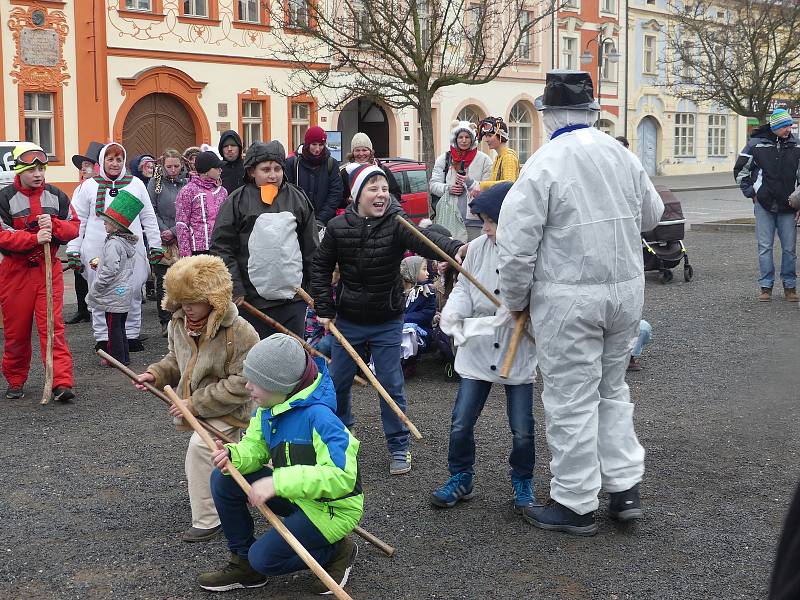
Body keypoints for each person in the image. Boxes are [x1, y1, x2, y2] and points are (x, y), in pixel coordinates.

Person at [496, 70, 664, 536]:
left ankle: (574, 501)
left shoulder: (544, 163)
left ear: (550, 116)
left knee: (570, 398)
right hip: (625, 292)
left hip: (568, 297)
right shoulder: (621, 154)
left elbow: (515, 245)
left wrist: (514, 300)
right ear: (590, 112)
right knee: (612, 391)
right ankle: (624, 487)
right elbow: (652, 215)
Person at [311, 162, 465, 475]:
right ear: (357, 195)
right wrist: (324, 309)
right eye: (373, 188)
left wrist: (456, 249)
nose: (381, 194)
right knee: (338, 382)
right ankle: (341, 438)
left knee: (390, 383)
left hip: (387, 319)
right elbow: (320, 267)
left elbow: (427, 240)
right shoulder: (339, 228)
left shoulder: (396, 224)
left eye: (384, 188)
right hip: (348, 319)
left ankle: (398, 445)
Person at [197, 333, 362, 594]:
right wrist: (234, 455)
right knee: (225, 477)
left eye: (256, 381)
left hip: (330, 508)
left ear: (282, 385)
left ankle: (336, 551)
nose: (248, 386)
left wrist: (277, 481)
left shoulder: (322, 419)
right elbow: (255, 447)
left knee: (265, 559)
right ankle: (242, 563)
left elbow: (342, 477)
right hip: (295, 493)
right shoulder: (268, 408)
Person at [135, 254, 260, 543]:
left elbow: (244, 383)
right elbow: (176, 360)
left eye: (194, 301)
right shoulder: (178, 323)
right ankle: (240, 493)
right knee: (235, 457)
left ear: (213, 298)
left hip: (230, 409)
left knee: (202, 449)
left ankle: (208, 518)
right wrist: (155, 374)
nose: (187, 308)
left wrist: (195, 403)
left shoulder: (240, 331)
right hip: (195, 406)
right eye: (182, 301)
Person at [432, 181, 537, 512]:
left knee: (522, 428)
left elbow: (545, 296)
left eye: (491, 222)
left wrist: (522, 308)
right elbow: (464, 286)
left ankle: (523, 481)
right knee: (461, 420)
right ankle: (461, 477)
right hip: (478, 348)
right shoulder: (476, 249)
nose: (486, 230)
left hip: (515, 349)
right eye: (485, 222)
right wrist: (453, 311)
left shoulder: (533, 250)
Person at [211, 141, 318, 338]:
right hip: (252, 301)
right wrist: (236, 287)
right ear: (252, 171)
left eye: (277, 169)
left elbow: (311, 246)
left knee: (293, 356)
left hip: (293, 300)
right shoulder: (237, 201)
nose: (273, 175)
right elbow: (222, 246)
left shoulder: (297, 198)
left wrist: (314, 288)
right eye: (266, 169)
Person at [0, 142, 80, 401]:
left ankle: (61, 382)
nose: (38, 174)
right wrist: (34, 238)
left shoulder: (57, 196)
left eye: (41, 169)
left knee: (52, 328)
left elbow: (74, 226)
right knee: (16, 331)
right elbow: (2, 236)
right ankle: (15, 379)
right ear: (19, 170)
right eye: (32, 169)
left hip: (49, 269)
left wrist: (54, 225)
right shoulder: (4, 198)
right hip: (16, 273)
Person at [66, 142, 164, 353]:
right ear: (102, 161)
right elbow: (77, 220)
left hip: (131, 249)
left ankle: (130, 334)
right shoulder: (87, 187)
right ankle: (102, 337)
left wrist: (155, 245)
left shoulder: (136, 184)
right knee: (99, 291)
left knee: (132, 291)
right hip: (96, 250)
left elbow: (148, 217)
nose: (115, 163)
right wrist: (73, 249)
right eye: (110, 159)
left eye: (119, 159)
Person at [734, 108, 800, 302]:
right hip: (764, 205)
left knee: (789, 249)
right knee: (765, 248)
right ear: (776, 127)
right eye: (785, 126)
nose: (789, 129)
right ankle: (766, 287)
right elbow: (740, 171)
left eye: (790, 125)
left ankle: (790, 287)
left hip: (788, 207)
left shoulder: (797, 146)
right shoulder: (755, 145)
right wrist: (751, 193)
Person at [87, 191, 141, 366]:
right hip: (123, 290)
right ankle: (123, 356)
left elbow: (110, 270)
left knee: (113, 327)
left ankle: (116, 359)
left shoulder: (113, 243)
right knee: (119, 325)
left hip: (113, 292)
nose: (104, 224)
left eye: (107, 222)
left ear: (115, 226)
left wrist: (97, 286)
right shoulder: (124, 243)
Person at [430, 121, 492, 241]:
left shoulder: (485, 160)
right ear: (455, 138)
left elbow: (488, 189)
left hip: (476, 221)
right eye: (460, 137)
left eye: (467, 137)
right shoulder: (444, 159)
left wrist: (472, 184)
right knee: (452, 257)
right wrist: (448, 189)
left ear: (472, 139)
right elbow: (433, 185)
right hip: (450, 220)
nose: (464, 140)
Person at [148, 149, 187, 336]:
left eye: (176, 166)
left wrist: (174, 231)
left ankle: (183, 319)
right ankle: (165, 321)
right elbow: (150, 209)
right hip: (161, 237)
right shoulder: (154, 183)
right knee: (163, 281)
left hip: (181, 236)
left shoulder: (187, 183)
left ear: (182, 165)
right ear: (163, 166)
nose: (173, 170)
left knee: (182, 280)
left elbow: (189, 210)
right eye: (169, 166)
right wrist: (163, 230)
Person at [65, 141, 103, 325]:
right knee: (79, 274)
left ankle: (97, 312)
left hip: (97, 239)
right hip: (81, 236)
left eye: (87, 165)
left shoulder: (102, 186)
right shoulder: (80, 187)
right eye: (83, 166)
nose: (84, 169)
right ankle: (82, 309)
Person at [285, 126, 343, 227]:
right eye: (314, 144)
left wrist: (321, 219)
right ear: (307, 144)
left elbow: (335, 194)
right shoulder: (293, 163)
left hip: (323, 222)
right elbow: (286, 193)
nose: (317, 149)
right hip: (296, 222)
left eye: (321, 145)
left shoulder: (331, 164)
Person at [176, 151, 228, 258]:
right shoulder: (188, 191)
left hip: (219, 247)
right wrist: (186, 255)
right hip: (197, 250)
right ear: (206, 171)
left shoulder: (222, 191)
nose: (220, 170)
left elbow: (226, 221)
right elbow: (182, 223)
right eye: (217, 167)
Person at [339, 132, 401, 206]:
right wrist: (347, 201)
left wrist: (383, 199)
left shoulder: (382, 170)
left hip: (379, 215)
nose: (361, 154)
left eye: (364, 150)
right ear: (353, 152)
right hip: (354, 215)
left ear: (371, 151)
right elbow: (337, 198)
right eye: (357, 150)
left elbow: (396, 194)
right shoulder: (345, 172)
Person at [399, 255, 436, 376]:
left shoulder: (426, 292)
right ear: (412, 270)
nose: (427, 273)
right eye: (424, 269)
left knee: (408, 333)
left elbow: (427, 313)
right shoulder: (397, 292)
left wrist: (404, 319)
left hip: (421, 330)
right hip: (398, 325)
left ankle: (409, 363)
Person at [477, 116, 520, 191]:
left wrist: (481, 185)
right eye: (486, 136)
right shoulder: (498, 157)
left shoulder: (508, 157)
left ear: (500, 135)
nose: (486, 140)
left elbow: (509, 183)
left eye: (489, 136)